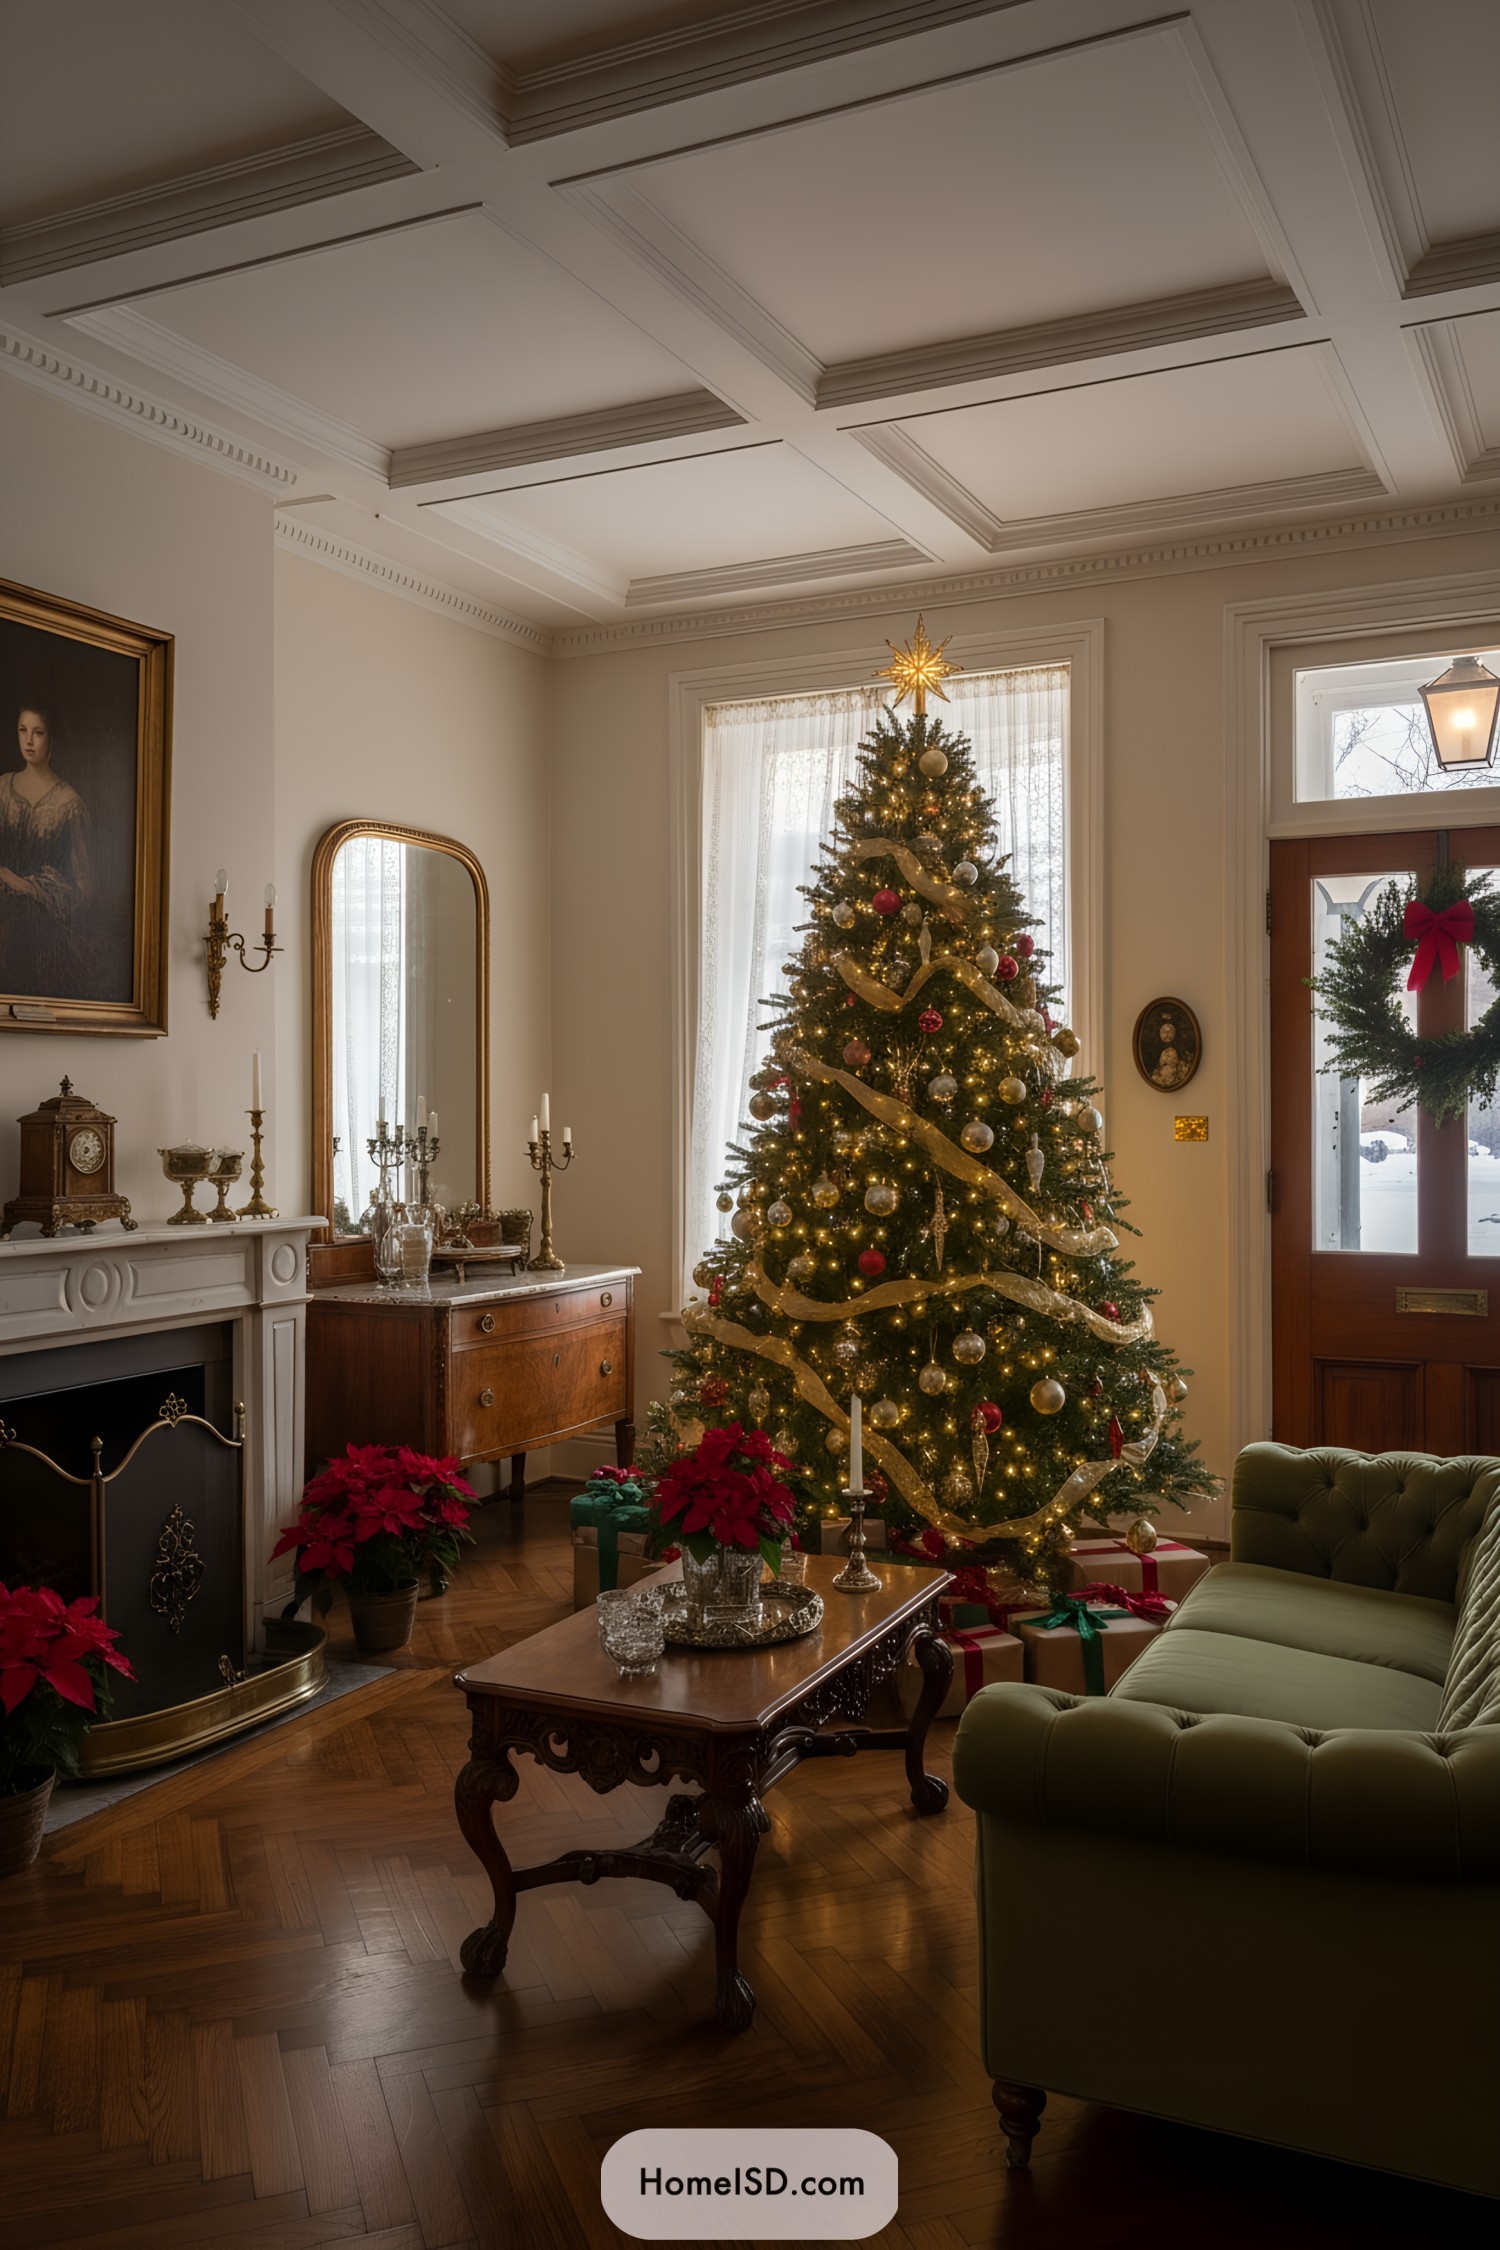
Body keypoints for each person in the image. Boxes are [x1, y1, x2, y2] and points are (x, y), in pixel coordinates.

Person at [0, 702, 96, 999]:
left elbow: (84, 888)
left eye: (38, 732)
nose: (29, 740)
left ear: (52, 738)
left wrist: (30, 888)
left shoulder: (69, 805)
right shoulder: (2, 789)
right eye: (23, 730)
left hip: (43, 934)